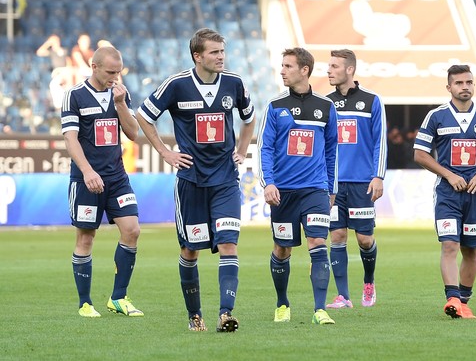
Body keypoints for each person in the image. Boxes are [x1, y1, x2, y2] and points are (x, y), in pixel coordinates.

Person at [136, 28, 255, 332]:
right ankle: (195, 315)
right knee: (191, 250)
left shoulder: (234, 83)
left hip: (226, 180)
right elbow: (143, 115)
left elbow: (249, 117)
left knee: (229, 244)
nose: (220, 57)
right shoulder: (177, 85)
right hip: (190, 180)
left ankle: (226, 313)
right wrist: (165, 152)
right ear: (197, 56)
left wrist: (241, 150)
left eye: (222, 51)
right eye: (214, 52)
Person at [413, 64, 476, 319]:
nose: (464, 87)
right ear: (449, 87)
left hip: (475, 194)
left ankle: (464, 300)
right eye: (459, 83)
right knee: (449, 245)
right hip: (447, 193)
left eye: (468, 82)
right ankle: (452, 298)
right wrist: (448, 174)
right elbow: (420, 154)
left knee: (471, 250)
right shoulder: (436, 116)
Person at [257, 47, 338, 325]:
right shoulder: (275, 106)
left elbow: (331, 151)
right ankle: (282, 303)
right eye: (282, 66)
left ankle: (319, 309)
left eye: (288, 66)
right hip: (283, 193)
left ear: (304, 70)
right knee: (282, 249)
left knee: (318, 242)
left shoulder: (326, 107)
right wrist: (268, 183)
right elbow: (264, 148)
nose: (282, 71)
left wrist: (331, 188)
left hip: (315, 190)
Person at [61, 46, 143, 318]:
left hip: (117, 178)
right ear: (94, 67)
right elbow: (70, 139)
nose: (115, 77)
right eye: (110, 72)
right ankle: (85, 302)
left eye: (118, 72)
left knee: (132, 230)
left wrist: (120, 104)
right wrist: (87, 171)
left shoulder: (120, 93)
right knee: (86, 238)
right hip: (86, 179)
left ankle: (118, 297)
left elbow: (133, 134)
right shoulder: (74, 96)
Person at [324, 49, 387, 309]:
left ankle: (369, 282)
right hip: (334, 185)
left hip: (362, 181)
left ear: (350, 69)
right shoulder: (324, 103)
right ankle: (343, 296)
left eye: (334, 66)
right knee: (337, 236)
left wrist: (378, 175)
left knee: (364, 239)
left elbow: (380, 140)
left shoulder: (372, 100)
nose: (329, 71)